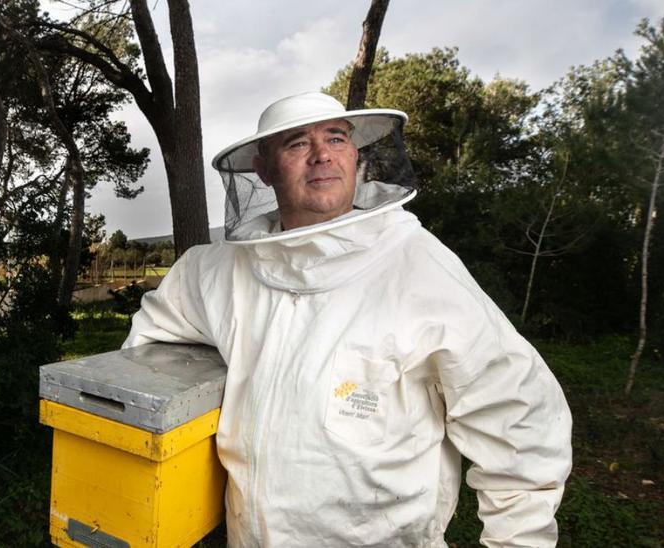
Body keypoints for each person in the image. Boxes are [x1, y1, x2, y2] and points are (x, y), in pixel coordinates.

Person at [123, 92, 572, 547]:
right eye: (297, 144)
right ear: (264, 169)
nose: (322, 155)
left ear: (355, 154)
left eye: (335, 138)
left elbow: (521, 422)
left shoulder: (421, 270)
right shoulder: (214, 271)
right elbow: (145, 353)